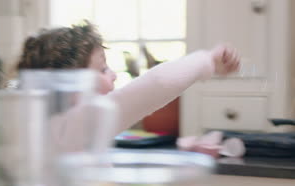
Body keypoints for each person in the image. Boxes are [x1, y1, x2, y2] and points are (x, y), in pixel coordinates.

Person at [16, 21, 240, 153]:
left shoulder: (39, 124)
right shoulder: (74, 123)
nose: (113, 75)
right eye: (103, 69)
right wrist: (207, 60)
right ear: (67, 86)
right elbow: (158, 84)